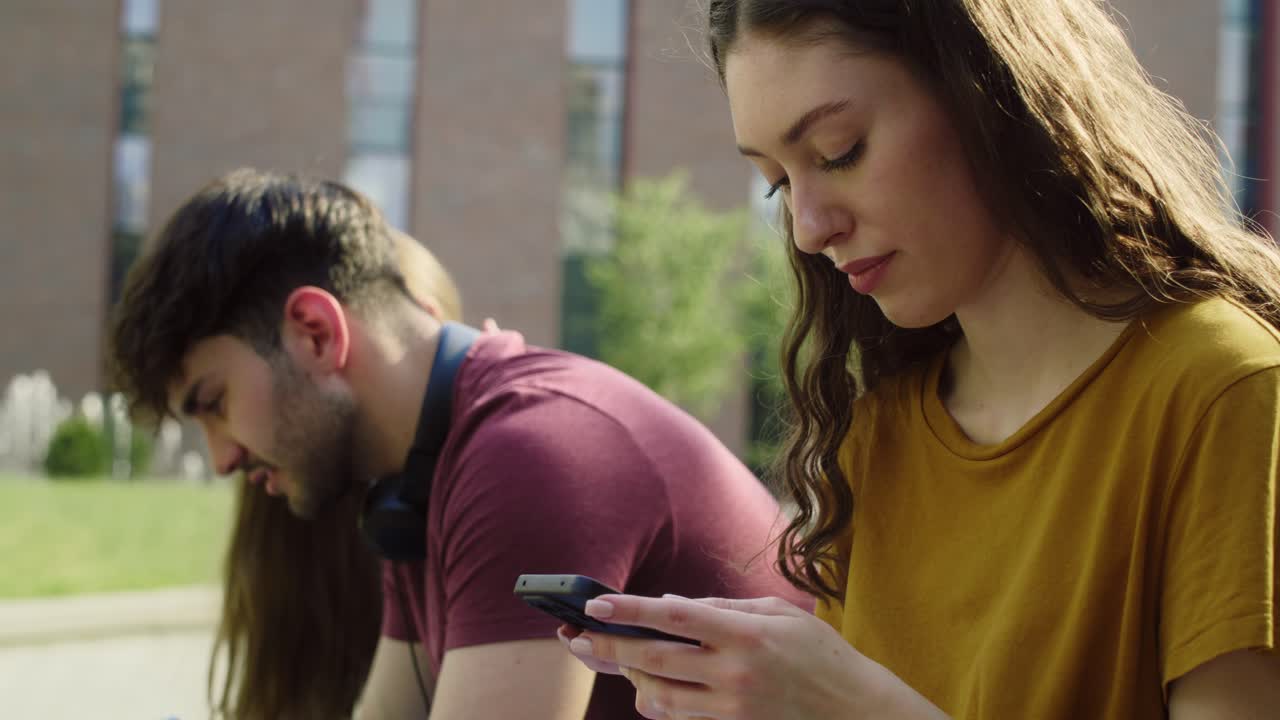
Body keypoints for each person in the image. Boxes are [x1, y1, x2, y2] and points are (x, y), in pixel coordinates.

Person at [562, 1, 1280, 718]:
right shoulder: (881, 435)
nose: (809, 230)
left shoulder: (1229, 392)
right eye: (780, 183)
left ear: (992, 94)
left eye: (840, 150)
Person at [107, 168, 811, 720]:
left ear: (315, 333)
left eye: (214, 404)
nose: (221, 457)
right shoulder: (418, 479)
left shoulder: (529, 455)